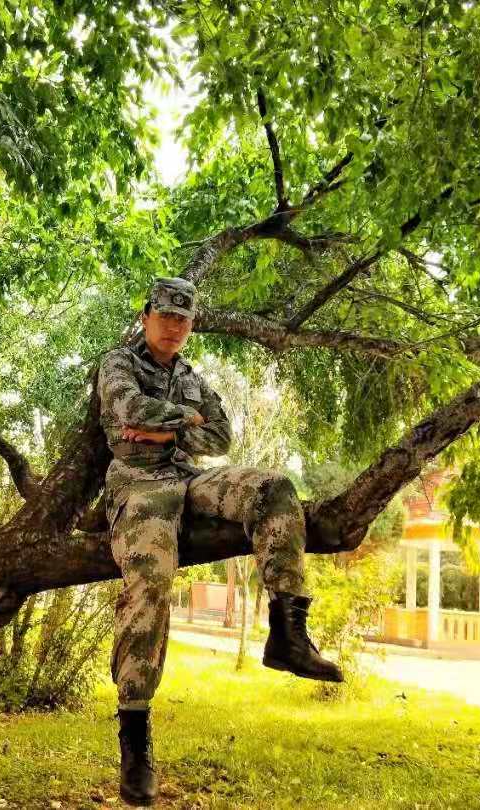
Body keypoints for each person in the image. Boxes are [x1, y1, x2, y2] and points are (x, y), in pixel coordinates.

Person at [97, 277, 342, 806]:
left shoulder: (191, 376)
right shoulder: (118, 362)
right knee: (150, 577)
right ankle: (135, 737)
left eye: (183, 320)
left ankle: (289, 634)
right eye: (166, 316)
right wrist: (186, 421)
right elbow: (128, 412)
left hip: (189, 477)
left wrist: (168, 430)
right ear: (146, 316)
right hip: (139, 482)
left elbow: (222, 436)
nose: (174, 327)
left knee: (273, 488)